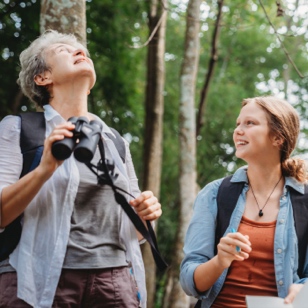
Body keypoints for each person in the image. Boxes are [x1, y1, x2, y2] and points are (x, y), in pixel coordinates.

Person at [0, 30, 162, 308]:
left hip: (114, 282)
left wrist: (146, 215)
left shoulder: (115, 141)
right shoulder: (18, 129)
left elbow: (135, 234)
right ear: (42, 78)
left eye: (83, 52)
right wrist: (45, 168)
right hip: (35, 277)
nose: (80, 52)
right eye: (64, 50)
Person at [180, 96, 308, 307]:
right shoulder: (214, 194)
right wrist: (219, 261)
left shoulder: (304, 200)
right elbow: (188, 281)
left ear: (278, 137)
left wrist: (303, 290)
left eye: (250, 123)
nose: (238, 130)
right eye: (238, 124)